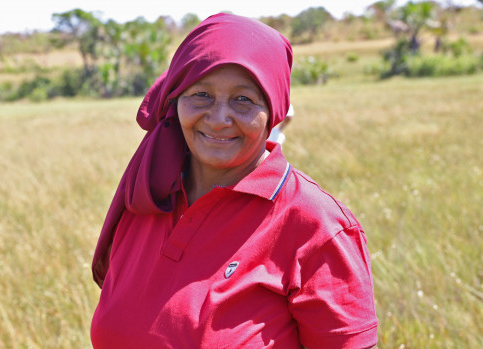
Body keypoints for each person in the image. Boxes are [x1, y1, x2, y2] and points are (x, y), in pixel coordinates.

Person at [91, 13, 378, 349]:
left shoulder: (317, 226)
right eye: (201, 94)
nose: (218, 118)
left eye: (243, 99)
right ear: (175, 100)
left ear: (274, 111)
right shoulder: (147, 198)